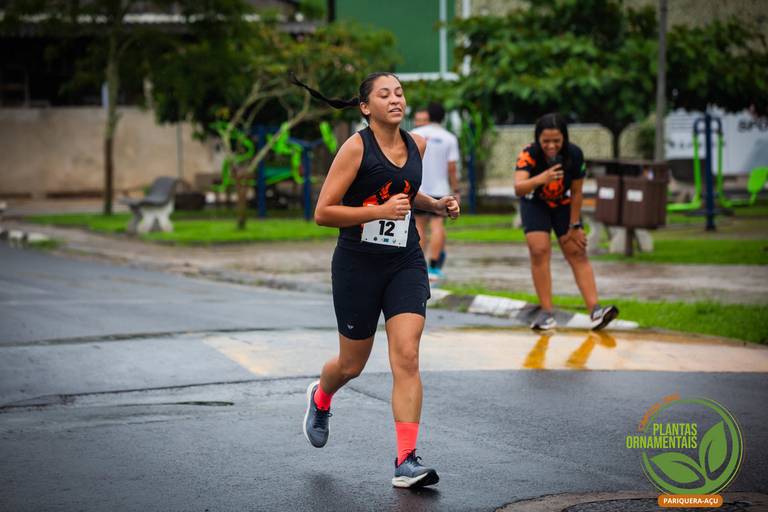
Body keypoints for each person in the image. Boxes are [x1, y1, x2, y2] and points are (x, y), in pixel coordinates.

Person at [291, 73, 460, 488]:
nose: (396, 100)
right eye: (385, 95)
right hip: (357, 265)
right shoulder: (355, 148)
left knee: (407, 355)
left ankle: (406, 461)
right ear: (366, 107)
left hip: (405, 261)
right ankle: (321, 397)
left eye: (399, 93)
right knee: (351, 364)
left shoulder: (418, 144)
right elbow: (323, 212)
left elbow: (404, 191)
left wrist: (435, 205)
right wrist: (378, 212)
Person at [513, 113, 618, 331]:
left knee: (576, 251)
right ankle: (546, 312)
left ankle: (596, 310)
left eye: (556, 141)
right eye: (546, 141)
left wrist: (575, 225)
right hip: (535, 203)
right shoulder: (529, 154)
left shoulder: (574, 154)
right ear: (538, 139)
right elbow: (519, 188)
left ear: (564, 138)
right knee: (539, 250)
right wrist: (541, 178)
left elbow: (577, 192)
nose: (551, 146)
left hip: (563, 204)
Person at [411, 103, 460, 281]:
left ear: (428, 116)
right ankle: (433, 268)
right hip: (441, 190)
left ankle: (418, 266)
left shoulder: (414, 134)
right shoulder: (449, 138)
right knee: (437, 226)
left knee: (419, 226)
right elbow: (452, 168)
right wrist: (456, 190)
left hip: (418, 189)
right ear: (443, 117)